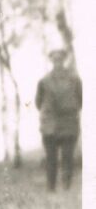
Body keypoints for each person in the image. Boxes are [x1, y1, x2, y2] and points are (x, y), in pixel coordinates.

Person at [36, 48, 82, 191]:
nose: (58, 63)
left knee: (61, 157)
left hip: (61, 124)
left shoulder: (73, 80)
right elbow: (39, 102)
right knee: (57, 158)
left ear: (63, 61)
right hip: (58, 124)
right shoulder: (44, 81)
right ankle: (57, 187)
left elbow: (38, 103)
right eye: (56, 60)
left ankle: (59, 187)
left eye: (59, 60)